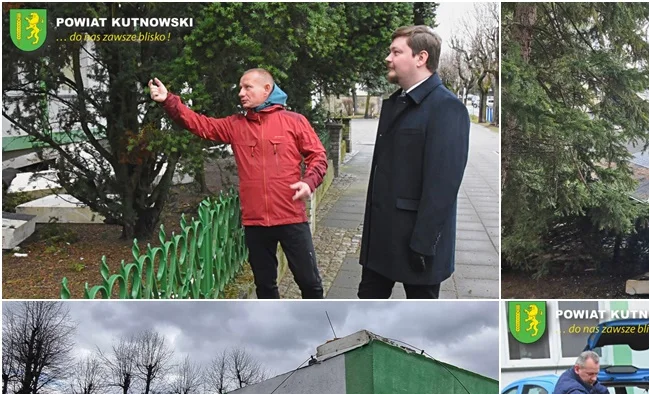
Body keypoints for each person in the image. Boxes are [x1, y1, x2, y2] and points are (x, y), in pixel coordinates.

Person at [148, 69, 327, 299]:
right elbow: (200, 124)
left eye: (247, 87)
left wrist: (309, 182)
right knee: (265, 287)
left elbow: (318, 157)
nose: (241, 93)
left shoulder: (294, 121)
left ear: (266, 89)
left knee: (310, 284)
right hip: (255, 223)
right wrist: (169, 101)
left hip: (291, 217)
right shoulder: (236, 125)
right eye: (240, 88)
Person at [358, 25, 471, 299]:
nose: (388, 58)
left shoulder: (446, 107)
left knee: (423, 312)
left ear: (421, 58)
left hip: (417, 245)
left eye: (396, 51)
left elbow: (443, 187)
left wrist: (423, 244)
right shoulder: (397, 101)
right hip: (381, 240)